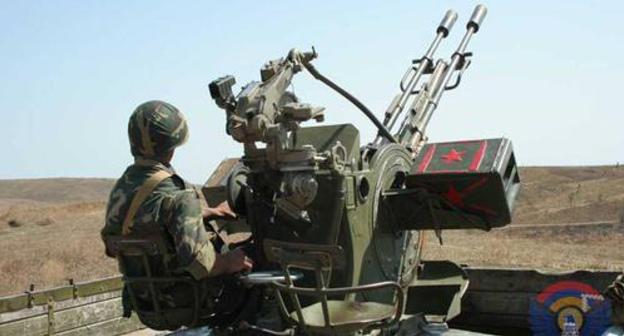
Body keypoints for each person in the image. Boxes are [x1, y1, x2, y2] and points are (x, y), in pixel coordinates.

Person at [101, 100, 253, 329]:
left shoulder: (121, 190)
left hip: (146, 302)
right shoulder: (179, 194)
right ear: (173, 145)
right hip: (188, 302)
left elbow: (117, 244)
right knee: (252, 258)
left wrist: (202, 214)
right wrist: (230, 260)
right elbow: (202, 265)